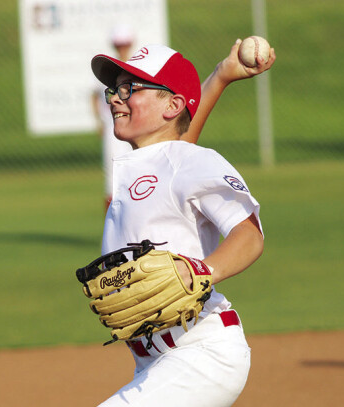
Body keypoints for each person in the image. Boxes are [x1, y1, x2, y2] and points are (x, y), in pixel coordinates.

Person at [89, 40, 275, 407]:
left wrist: (200, 271)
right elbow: (174, 139)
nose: (114, 98)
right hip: (154, 363)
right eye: (115, 88)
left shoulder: (190, 161)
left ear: (173, 105)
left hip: (201, 353)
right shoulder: (152, 164)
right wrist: (220, 76)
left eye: (131, 88)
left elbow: (249, 235)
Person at [91, 25, 136, 210]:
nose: (122, 48)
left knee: (138, 168)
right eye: (119, 44)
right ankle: (112, 224)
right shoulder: (108, 68)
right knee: (113, 173)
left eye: (124, 44)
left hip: (136, 122)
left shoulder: (137, 66)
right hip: (112, 123)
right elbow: (94, 95)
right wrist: (98, 120)